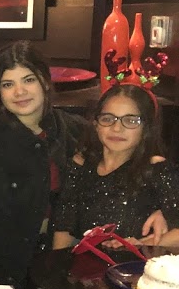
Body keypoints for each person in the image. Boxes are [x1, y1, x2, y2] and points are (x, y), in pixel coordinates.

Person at [0, 42, 88, 272]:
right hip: (10, 264)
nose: (19, 92)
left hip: (71, 259)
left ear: (45, 81)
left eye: (28, 80)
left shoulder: (76, 130)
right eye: (8, 84)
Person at [52, 84, 179, 248]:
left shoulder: (155, 169)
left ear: (146, 128)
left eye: (131, 121)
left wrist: (140, 245)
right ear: (96, 124)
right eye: (107, 119)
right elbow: (63, 227)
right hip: (84, 263)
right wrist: (59, 261)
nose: (117, 128)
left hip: (134, 263)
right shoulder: (80, 164)